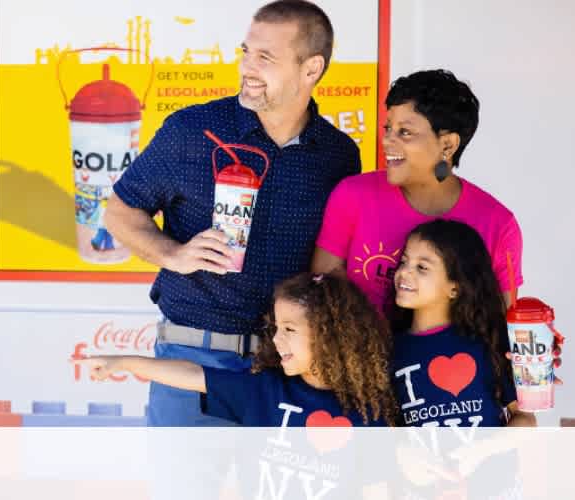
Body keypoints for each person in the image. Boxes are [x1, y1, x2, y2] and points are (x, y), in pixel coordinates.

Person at [106, 0, 361, 427]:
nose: (247, 67)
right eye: (245, 52)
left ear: (311, 69)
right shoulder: (191, 131)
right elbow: (120, 211)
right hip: (191, 357)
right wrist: (173, 254)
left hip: (286, 368)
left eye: (265, 57)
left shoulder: (337, 156)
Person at [75, 272, 396, 499]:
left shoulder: (370, 415)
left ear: (329, 334)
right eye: (275, 327)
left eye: (289, 329)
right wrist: (125, 362)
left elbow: (376, 490)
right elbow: (191, 374)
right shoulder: (263, 389)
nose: (276, 338)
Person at [312, 69, 522, 311]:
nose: (387, 140)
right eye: (388, 128)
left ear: (448, 144)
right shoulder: (352, 195)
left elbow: (505, 328)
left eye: (405, 132)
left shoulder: (498, 225)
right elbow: (321, 306)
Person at [389, 220, 535, 499]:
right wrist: (403, 457)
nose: (404, 272)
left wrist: (481, 451)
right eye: (404, 261)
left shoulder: (489, 341)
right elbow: (384, 430)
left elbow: (526, 422)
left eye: (422, 267)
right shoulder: (388, 349)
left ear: (454, 288)